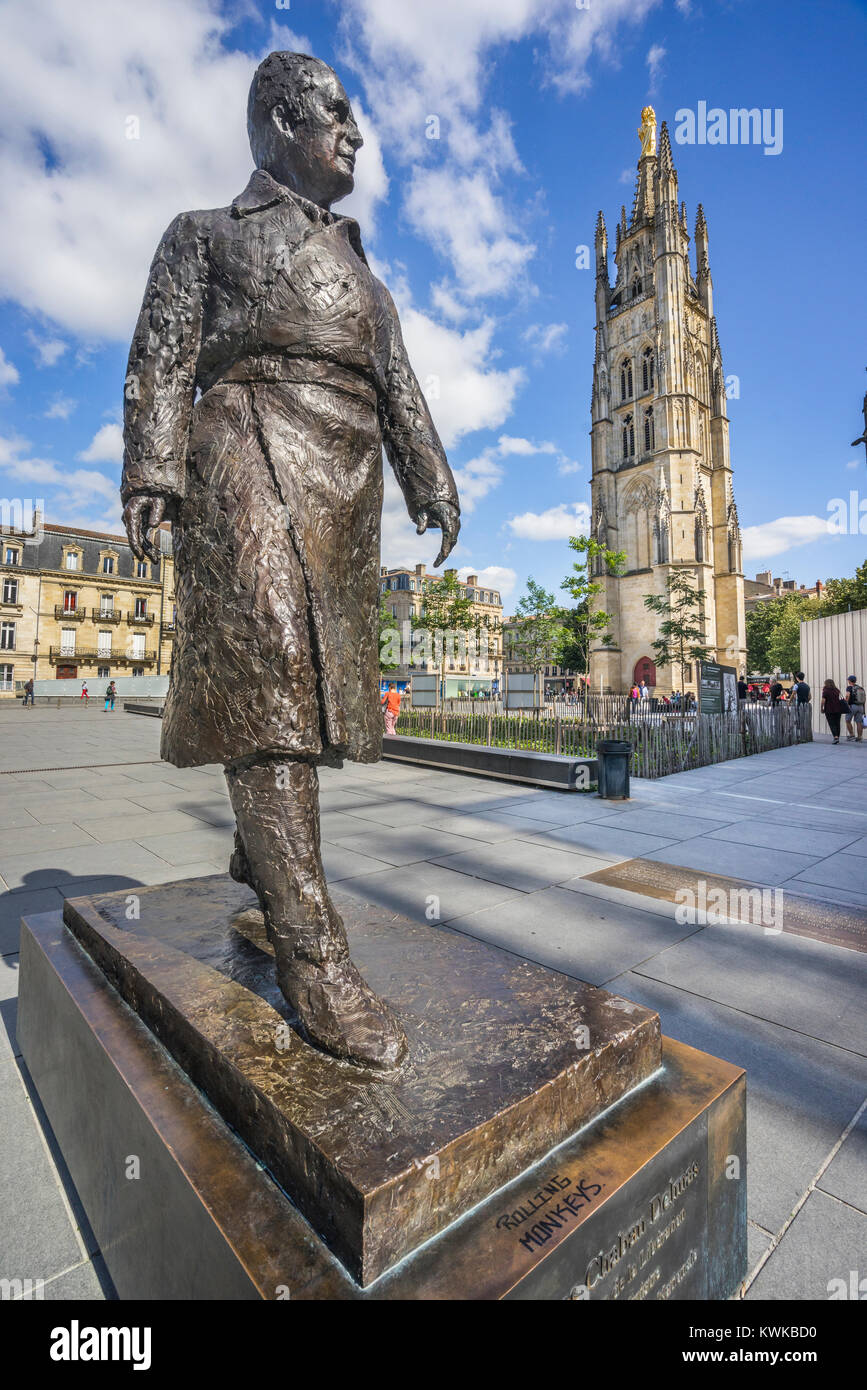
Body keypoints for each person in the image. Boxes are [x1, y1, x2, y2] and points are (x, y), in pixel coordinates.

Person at [122, 52, 460, 1070]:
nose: (356, 133)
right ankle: (314, 951)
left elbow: (398, 378)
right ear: (280, 120)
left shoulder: (365, 271)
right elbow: (163, 352)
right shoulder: (201, 237)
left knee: (314, 689)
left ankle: (260, 861)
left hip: (342, 487)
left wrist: (431, 479)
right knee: (269, 664)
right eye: (337, 115)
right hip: (242, 444)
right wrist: (150, 466)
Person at [820, 679, 845, 743]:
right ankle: (837, 737)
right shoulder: (837, 690)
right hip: (838, 709)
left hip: (829, 710)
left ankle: (835, 737)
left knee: (832, 723)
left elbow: (823, 701)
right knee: (837, 723)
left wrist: (821, 708)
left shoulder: (825, 691)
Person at [844, 675, 865, 742]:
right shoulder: (861, 688)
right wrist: (863, 708)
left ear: (849, 681)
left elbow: (847, 696)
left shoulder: (849, 687)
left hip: (852, 706)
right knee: (859, 722)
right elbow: (864, 698)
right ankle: (859, 737)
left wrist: (846, 704)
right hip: (861, 706)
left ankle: (852, 735)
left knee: (847, 720)